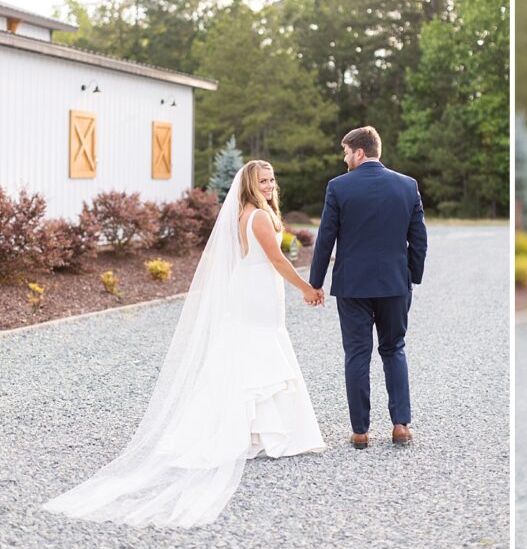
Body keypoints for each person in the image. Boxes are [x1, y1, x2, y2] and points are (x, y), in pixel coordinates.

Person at [43, 161, 326, 527]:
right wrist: (306, 288)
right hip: (257, 288)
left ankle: (257, 430)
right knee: (260, 349)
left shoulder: (251, 212)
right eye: (263, 181)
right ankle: (262, 431)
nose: (270, 185)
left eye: (272, 179)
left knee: (252, 353)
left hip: (255, 287)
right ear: (249, 186)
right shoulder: (256, 216)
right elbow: (274, 258)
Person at [309, 126, 428, 449]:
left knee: (357, 353)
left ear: (359, 152)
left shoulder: (338, 187)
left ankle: (360, 431)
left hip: (352, 285)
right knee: (394, 349)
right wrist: (410, 277)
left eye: (346, 151)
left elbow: (325, 240)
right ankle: (400, 425)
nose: (344, 157)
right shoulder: (407, 186)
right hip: (394, 284)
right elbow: (418, 237)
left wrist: (315, 283)